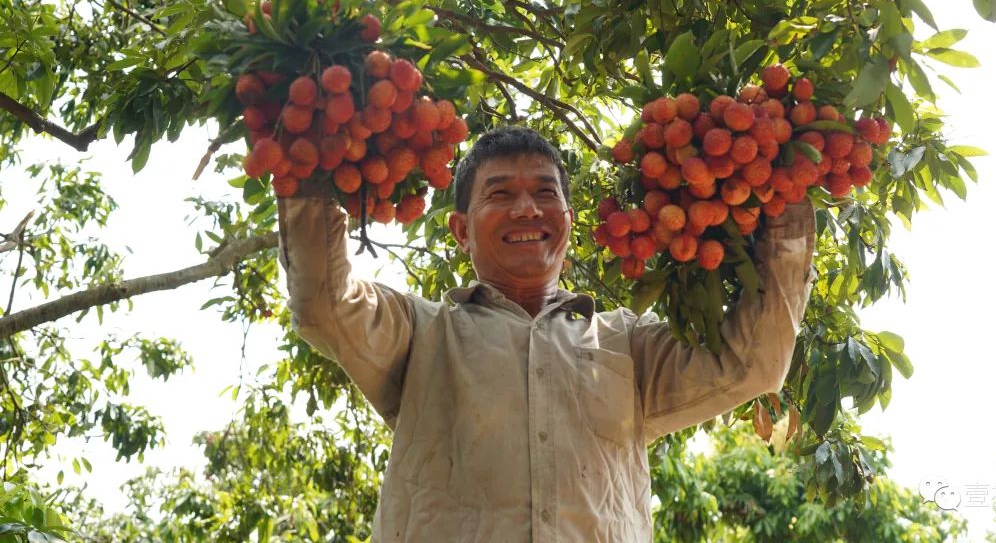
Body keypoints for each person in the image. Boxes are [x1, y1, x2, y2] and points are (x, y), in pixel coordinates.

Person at [277, 125, 816, 542]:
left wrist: (782, 202)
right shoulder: (419, 332)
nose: (527, 208)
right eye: (500, 193)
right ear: (462, 228)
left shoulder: (627, 344)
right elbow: (324, 304)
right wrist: (313, 159)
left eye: (543, 191)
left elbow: (753, 363)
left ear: (568, 218)